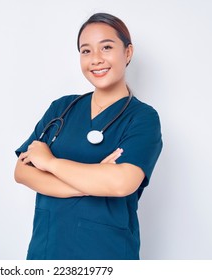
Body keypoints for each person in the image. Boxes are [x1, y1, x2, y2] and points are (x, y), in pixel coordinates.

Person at [14, 12, 163, 260]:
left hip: (105, 253)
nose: (95, 59)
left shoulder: (142, 118)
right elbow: (22, 172)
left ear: (127, 52)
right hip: (47, 250)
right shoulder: (62, 108)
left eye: (106, 47)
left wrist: (50, 163)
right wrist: (93, 180)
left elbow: (121, 182)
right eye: (86, 51)